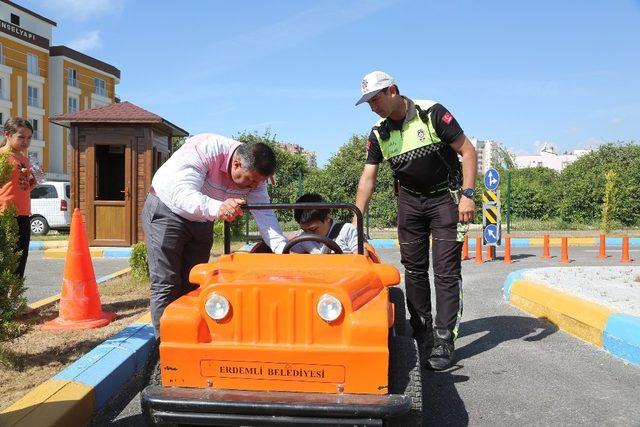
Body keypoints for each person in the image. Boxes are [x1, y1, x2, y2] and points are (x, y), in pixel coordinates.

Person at [354, 71, 477, 370]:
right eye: (368, 102)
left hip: (445, 199)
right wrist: (355, 220)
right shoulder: (379, 131)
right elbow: (368, 178)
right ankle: (423, 332)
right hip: (409, 202)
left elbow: (467, 150)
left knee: (446, 271)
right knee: (414, 269)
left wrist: (468, 194)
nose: (373, 106)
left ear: (393, 90)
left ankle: (445, 338)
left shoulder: (431, 113)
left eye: (376, 98)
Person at [142, 134, 287, 338]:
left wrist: (284, 251)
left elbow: (265, 216)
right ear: (236, 164)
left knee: (194, 283)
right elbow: (181, 193)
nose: (254, 186)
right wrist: (218, 207)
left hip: (202, 219)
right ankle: (165, 349)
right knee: (166, 283)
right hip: (168, 210)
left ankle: (190, 337)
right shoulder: (206, 149)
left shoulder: (256, 178)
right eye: (252, 180)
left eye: (259, 182)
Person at [0, 117, 36, 279]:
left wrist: (32, 183)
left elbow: (22, 186)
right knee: (5, 258)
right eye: (21, 137)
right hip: (5, 214)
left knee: (20, 258)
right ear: (7, 134)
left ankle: (14, 299)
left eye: (29, 138)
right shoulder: (1, 156)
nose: (25, 141)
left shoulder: (24, 159)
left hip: (23, 214)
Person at [292, 193, 359, 254]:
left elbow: (361, 257)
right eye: (304, 230)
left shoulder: (346, 230)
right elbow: (286, 249)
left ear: (327, 217)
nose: (309, 235)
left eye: (313, 229)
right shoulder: (304, 239)